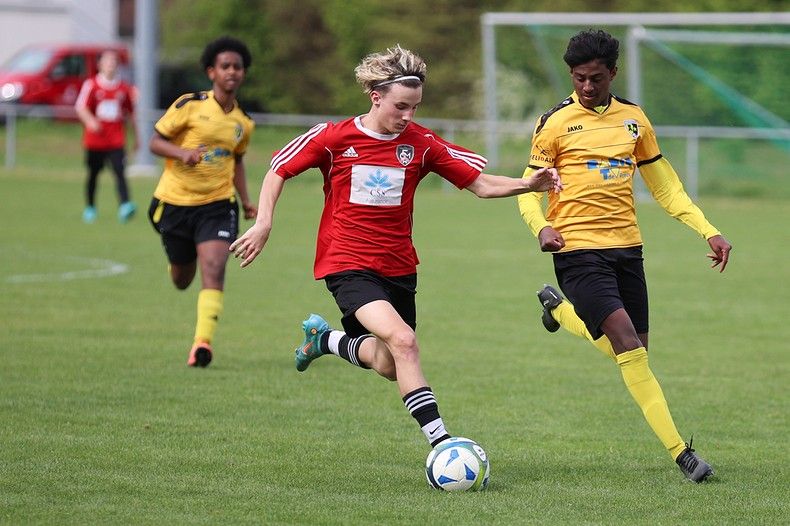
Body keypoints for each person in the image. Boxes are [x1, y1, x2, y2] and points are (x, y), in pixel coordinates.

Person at [230, 45, 561, 450]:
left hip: (399, 267)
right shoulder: (334, 138)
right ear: (376, 96)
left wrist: (528, 184)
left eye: (415, 107)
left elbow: (479, 184)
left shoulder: (420, 143)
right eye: (401, 106)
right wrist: (264, 221)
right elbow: (278, 169)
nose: (408, 116)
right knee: (404, 342)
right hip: (346, 262)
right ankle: (443, 445)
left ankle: (326, 341)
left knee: (389, 363)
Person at [517, 29, 732, 483]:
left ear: (613, 72)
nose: (587, 87)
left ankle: (558, 309)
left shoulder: (635, 121)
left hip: (627, 249)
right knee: (627, 343)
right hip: (576, 250)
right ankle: (682, 454)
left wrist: (707, 231)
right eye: (579, 78)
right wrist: (543, 226)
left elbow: (665, 186)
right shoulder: (553, 123)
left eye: (596, 78)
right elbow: (528, 190)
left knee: (634, 353)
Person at [148, 37, 257, 367]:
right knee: (182, 279)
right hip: (176, 201)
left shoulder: (243, 122)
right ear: (212, 72)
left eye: (238, 67)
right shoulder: (189, 105)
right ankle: (179, 259)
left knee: (214, 266)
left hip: (218, 204)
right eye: (225, 66)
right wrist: (181, 152)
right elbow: (154, 142)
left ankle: (202, 344)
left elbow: (236, 162)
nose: (232, 72)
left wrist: (246, 200)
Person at [75, 49, 138, 224]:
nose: (111, 64)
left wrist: (137, 137)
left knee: (119, 171)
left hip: (116, 139)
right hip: (95, 140)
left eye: (114, 61)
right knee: (94, 173)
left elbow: (130, 113)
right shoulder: (92, 85)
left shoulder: (123, 88)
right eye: (107, 61)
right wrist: (91, 121)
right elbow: (80, 107)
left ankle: (125, 206)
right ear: (100, 64)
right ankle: (90, 207)